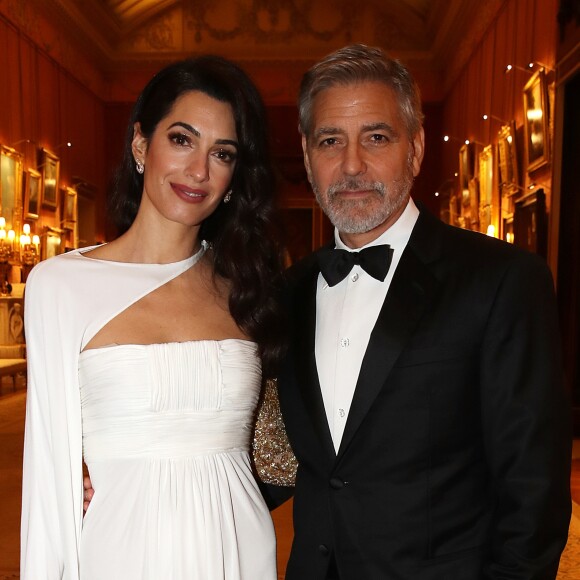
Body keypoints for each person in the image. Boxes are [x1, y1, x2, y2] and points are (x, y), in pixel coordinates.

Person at [265, 44, 572, 579]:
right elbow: (277, 457)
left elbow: (534, 490)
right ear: (308, 153)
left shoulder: (500, 280)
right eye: (330, 140)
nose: (352, 165)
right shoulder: (286, 293)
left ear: (416, 147)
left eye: (376, 137)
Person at [21, 54, 287, 580]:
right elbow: (47, 487)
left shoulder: (249, 289)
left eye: (223, 153)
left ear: (235, 174)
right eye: (182, 139)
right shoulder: (60, 286)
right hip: (120, 555)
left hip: (238, 551)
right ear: (141, 145)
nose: (198, 171)